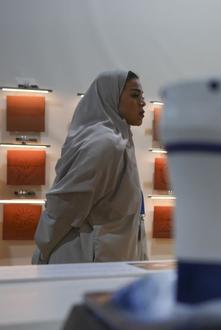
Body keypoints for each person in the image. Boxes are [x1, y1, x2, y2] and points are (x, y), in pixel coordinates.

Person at [32, 70, 149, 264]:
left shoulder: (119, 138)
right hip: (86, 257)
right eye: (135, 95)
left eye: (142, 96)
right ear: (110, 97)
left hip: (106, 255)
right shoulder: (105, 143)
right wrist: (43, 249)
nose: (143, 102)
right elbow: (66, 204)